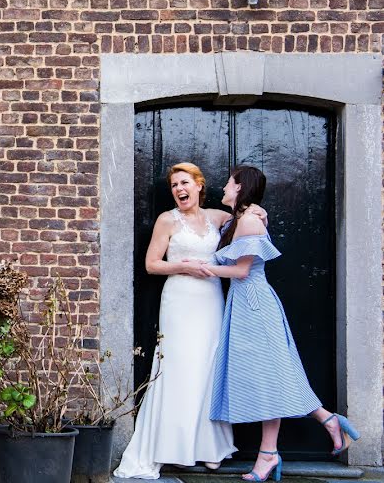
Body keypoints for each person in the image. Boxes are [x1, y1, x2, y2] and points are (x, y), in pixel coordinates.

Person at [200, 165, 360, 482]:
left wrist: (201, 268)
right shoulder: (239, 219)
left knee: (266, 376)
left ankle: (269, 453)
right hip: (243, 304)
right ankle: (327, 418)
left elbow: (242, 271)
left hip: (254, 303)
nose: (223, 189)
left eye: (228, 184)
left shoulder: (248, 221)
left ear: (240, 187)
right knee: (271, 374)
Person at [115, 162, 264, 479]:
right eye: (174, 186)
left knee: (208, 367)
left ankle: (211, 448)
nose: (179, 190)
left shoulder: (217, 218)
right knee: (180, 367)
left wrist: (258, 210)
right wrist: (183, 267)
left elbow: (247, 218)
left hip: (210, 299)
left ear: (199, 185)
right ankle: (175, 447)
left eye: (184, 183)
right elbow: (152, 264)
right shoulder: (167, 220)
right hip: (180, 299)